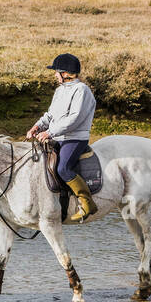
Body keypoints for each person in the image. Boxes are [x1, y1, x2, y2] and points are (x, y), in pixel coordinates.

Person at [26, 53, 97, 222]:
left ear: (65, 73)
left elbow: (74, 118)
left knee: (63, 168)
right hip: (59, 137)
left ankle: (87, 203)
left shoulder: (82, 90)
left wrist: (50, 133)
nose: (54, 75)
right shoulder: (60, 91)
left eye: (56, 72)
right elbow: (50, 115)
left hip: (75, 138)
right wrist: (37, 126)